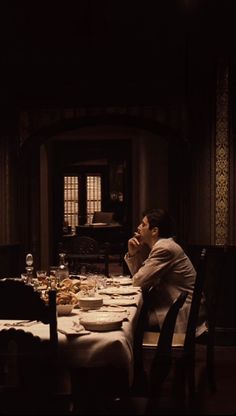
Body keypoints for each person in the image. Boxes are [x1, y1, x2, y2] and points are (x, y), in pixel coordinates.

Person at [124, 208, 207, 337]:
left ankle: (147, 356)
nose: (139, 227)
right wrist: (133, 253)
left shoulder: (164, 248)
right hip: (176, 305)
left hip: (183, 310)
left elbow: (137, 281)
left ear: (155, 231)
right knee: (133, 317)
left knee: (131, 321)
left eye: (143, 224)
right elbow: (141, 280)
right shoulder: (163, 246)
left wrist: (135, 260)